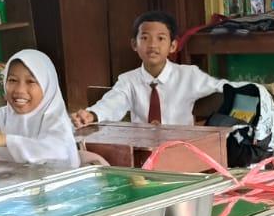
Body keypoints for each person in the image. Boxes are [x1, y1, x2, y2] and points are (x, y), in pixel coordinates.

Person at [70, 11, 230, 128]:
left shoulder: (188, 75)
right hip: (142, 152)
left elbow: (224, 87)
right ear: (134, 44)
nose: (152, 45)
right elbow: (112, 103)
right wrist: (91, 115)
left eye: (161, 38)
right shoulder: (128, 80)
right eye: (145, 38)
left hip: (181, 150)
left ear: (173, 45)